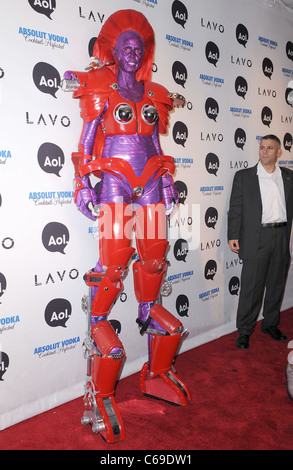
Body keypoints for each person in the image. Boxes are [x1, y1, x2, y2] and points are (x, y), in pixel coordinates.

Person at [62, 9, 190, 443]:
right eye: (125, 47)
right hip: (115, 181)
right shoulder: (101, 88)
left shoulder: (153, 94)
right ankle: (100, 379)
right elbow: (84, 143)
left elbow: (155, 141)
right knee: (113, 269)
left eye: (139, 47)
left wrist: (169, 180)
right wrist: (82, 184)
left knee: (153, 265)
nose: (133, 52)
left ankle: (155, 372)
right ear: (113, 52)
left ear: (144, 53)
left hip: (152, 181)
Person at [228, 134, 293, 350]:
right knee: (251, 287)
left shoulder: (288, 177)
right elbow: (235, 209)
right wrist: (233, 235)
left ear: (278, 152)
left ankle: (270, 324)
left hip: (281, 235)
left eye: (270, 148)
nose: (265, 151)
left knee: (276, 284)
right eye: (262, 147)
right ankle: (244, 330)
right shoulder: (244, 176)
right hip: (257, 238)